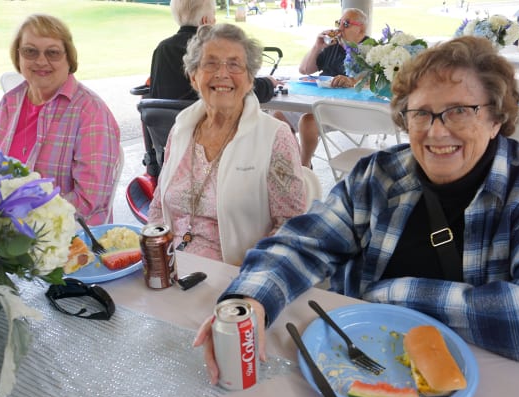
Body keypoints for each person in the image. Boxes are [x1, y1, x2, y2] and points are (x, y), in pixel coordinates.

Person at [194, 36, 519, 382]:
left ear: (495, 118)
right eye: (421, 113)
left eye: (459, 111)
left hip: (484, 384)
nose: (436, 130)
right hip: (359, 364)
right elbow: (301, 244)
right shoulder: (380, 175)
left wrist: (392, 295)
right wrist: (249, 301)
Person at [147, 23, 306, 266]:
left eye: (234, 64)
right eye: (210, 63)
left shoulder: (274, 137)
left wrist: (253, 273)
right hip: (170, 267)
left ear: (251, 79)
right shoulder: (181, 130)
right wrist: (153, 256)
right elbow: (159, 204)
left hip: (236, 275)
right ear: (193, 77)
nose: (222, 73)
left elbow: (290, 224)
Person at [0, 14, 121, 225]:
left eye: (53, 53)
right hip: (3, 229)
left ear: (69, 58)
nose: (41, 61)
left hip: (63, 238)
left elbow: (89, 201)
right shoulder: (11, 102)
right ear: (18, 56)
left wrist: (22, 215)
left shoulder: (90, 112)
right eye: (30, 51)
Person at [148, 0, 279, 103]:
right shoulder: (211, 50)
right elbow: (239, 89)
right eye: (214, 17)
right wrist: (268, 83)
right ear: (205, 21)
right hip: (208, 127)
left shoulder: (162, 49)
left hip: (166, 131)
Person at [296, 7, 370, 168]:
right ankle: (294, 161)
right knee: (278, 114)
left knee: (308, 120)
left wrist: (352, 81)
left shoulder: (371, 50)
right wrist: (317, 46)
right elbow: (304, 70)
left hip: (347, 109)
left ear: (361, 29)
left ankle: (303, 167)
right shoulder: (333, 46)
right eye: (339, 23)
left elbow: (373, 82)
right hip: (317, 99)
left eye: (346, 24)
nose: (339, 28)